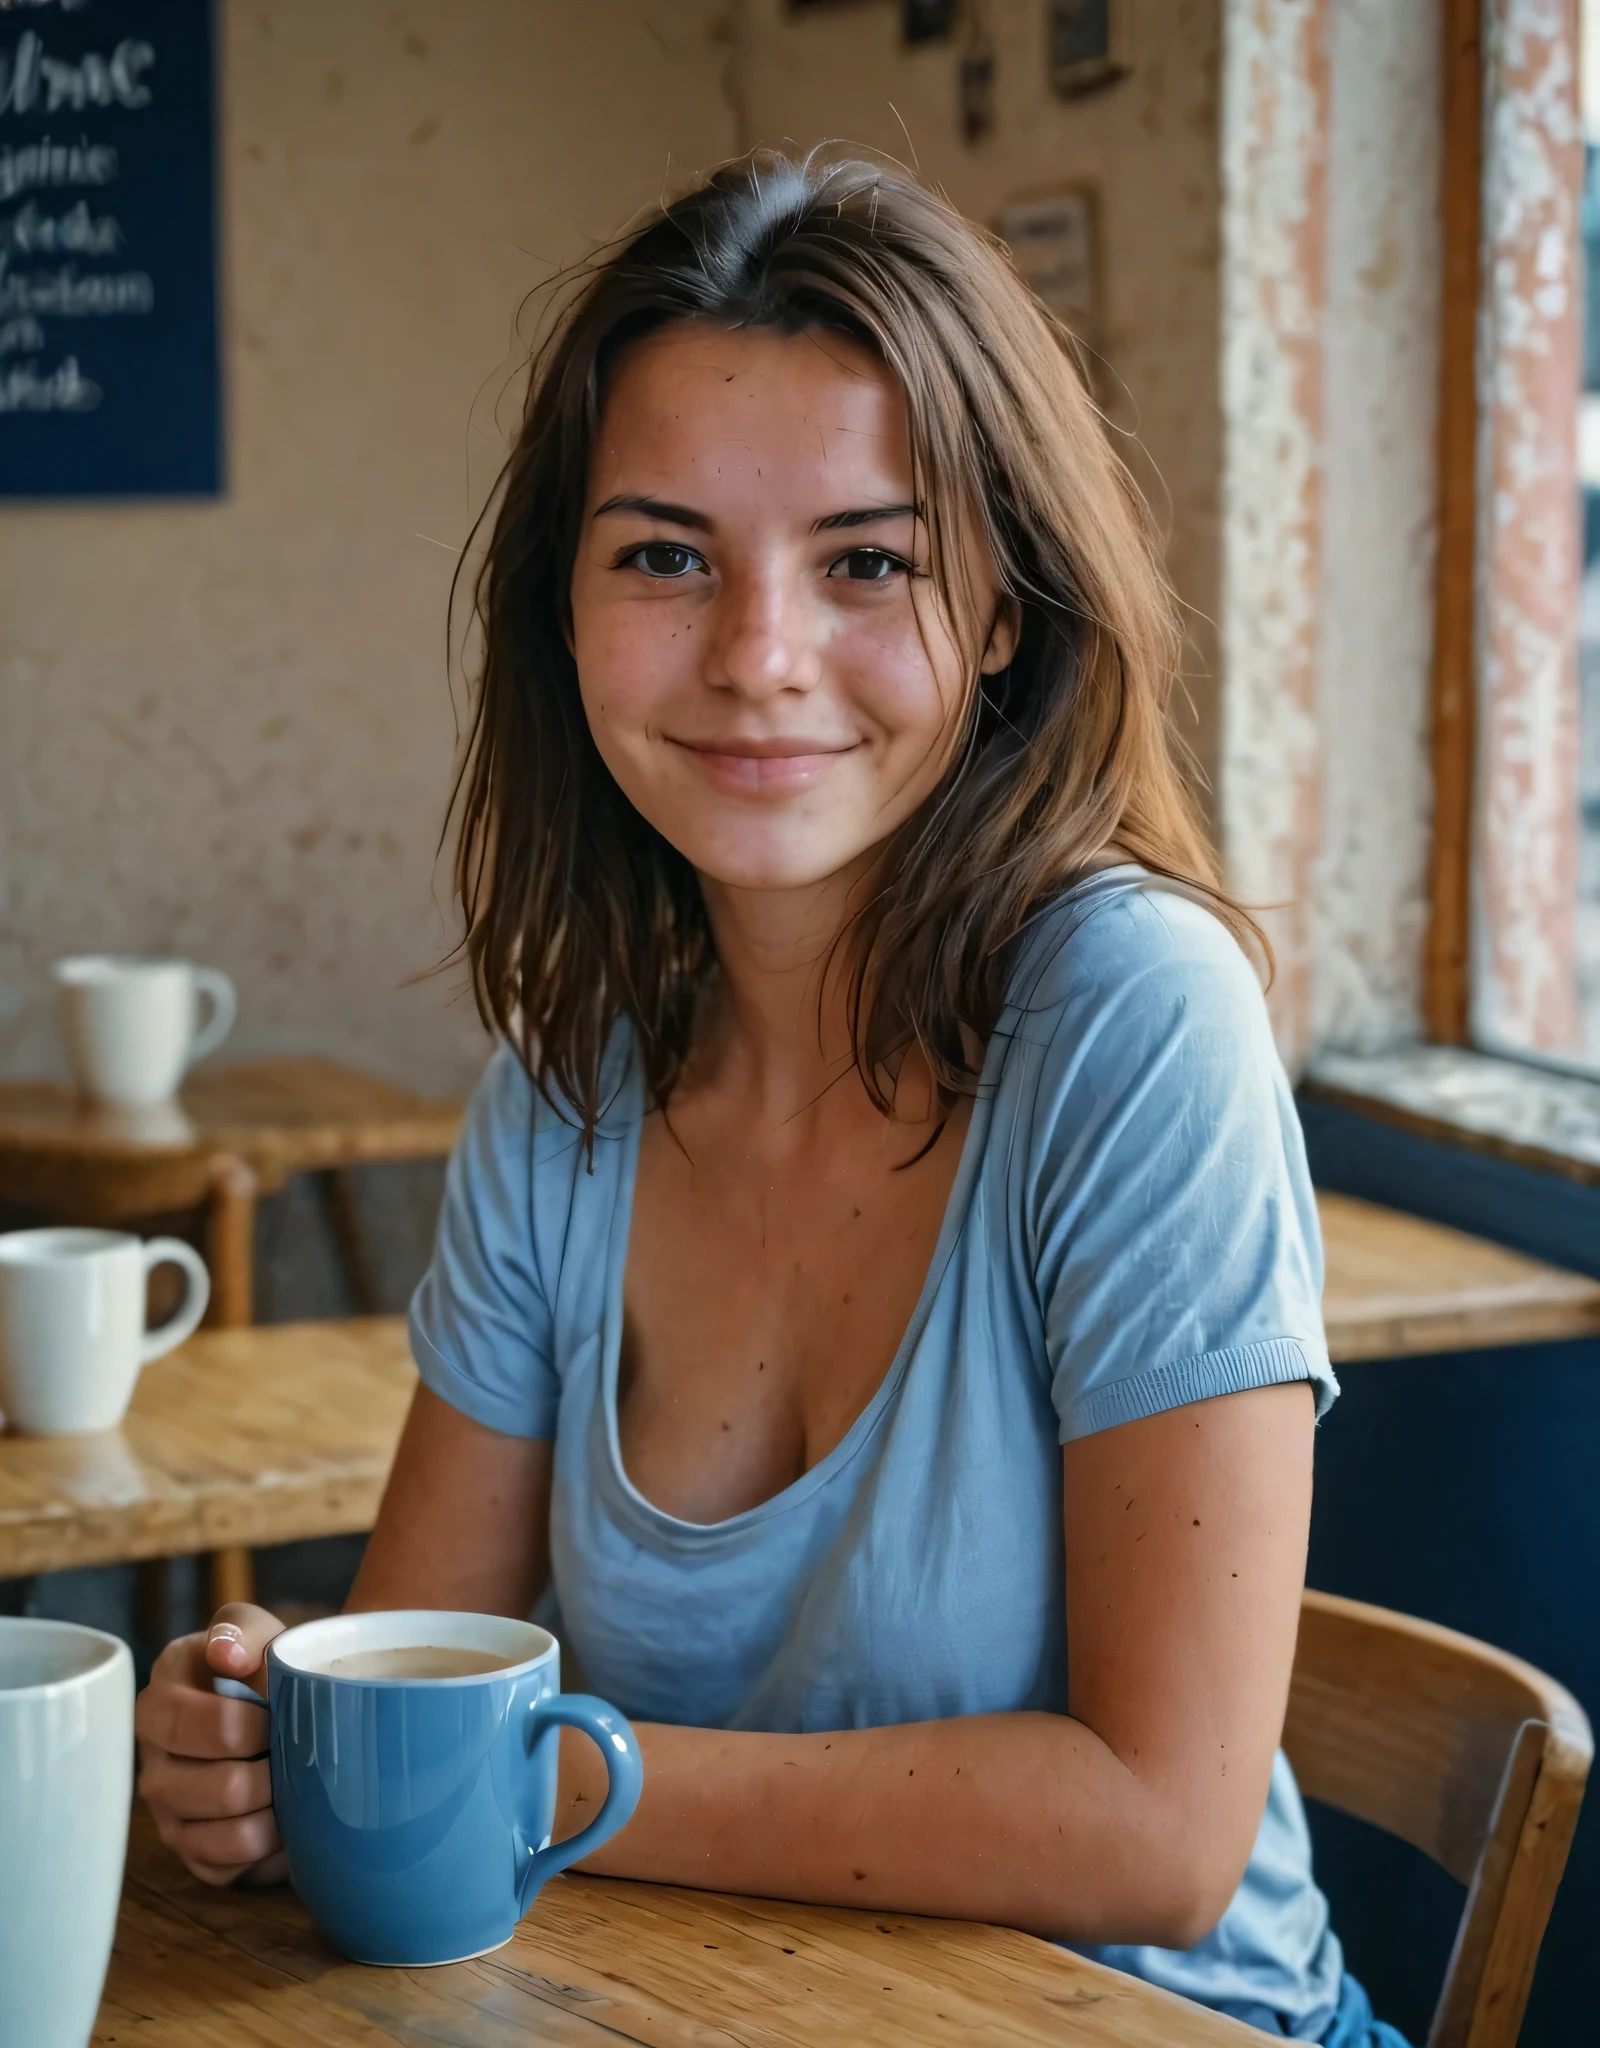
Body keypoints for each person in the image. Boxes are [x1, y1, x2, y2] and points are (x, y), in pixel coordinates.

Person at [135, 150, 1406, 2046]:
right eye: (664, 553)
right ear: (561, 611)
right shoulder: (563, 1090)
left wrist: (551, 1781)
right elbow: (409, 1678)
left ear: (997, 614)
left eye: (868, 560)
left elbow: (1162, 1831)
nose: (755, 656)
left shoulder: (1135, 1016)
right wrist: (265, 1735)